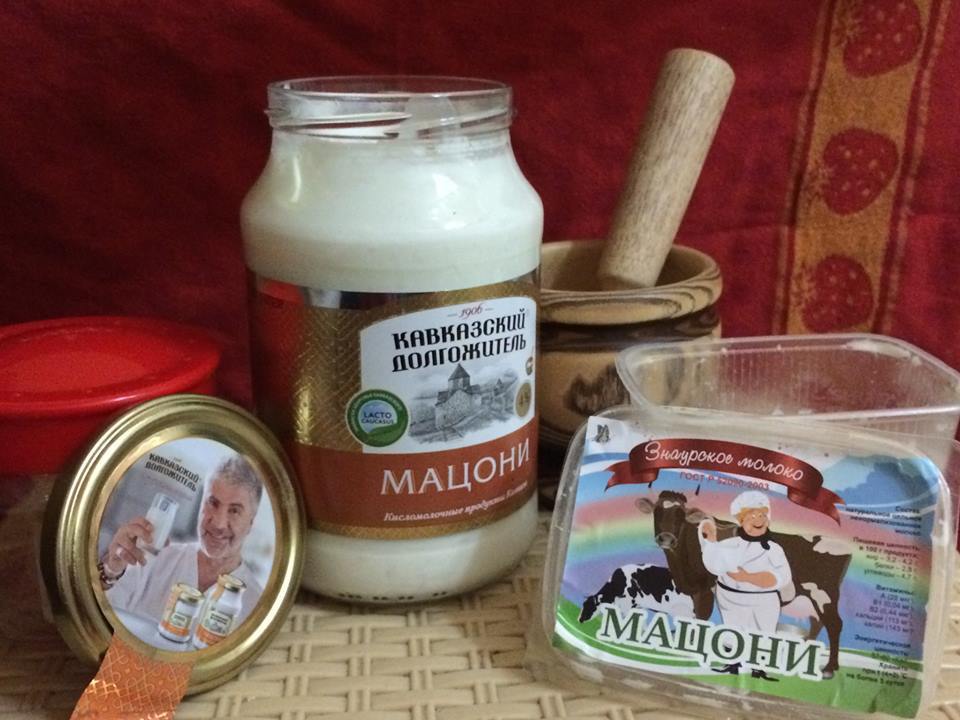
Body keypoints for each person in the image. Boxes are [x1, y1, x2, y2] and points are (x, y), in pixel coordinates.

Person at [100, 454, 266, 632]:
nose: (218, 524)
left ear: (250, 523)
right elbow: (102, 614)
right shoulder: (152, 558)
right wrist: (111, 570)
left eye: (234, 511)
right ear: (201, 504)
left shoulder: (256, 607)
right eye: (213, 503)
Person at [698, 490, 791, 681]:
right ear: (741, 521)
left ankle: (759, 668)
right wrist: (710, 538)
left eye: (762, 515)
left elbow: (783, 577)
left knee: (763, 633)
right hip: (731, 599)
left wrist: (748, 577)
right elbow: (714, 563)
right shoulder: (731, 544)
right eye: (752, 517)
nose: (758, 520)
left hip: (763, 601)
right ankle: (733, 663)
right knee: (733, 631)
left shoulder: (774, 549)